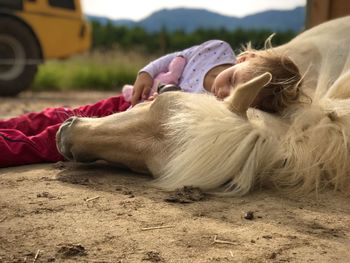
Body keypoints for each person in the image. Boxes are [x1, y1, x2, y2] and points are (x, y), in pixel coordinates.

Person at [0, 39, 304, 167]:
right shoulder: (216, 49)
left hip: (127, 124)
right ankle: (7, 127)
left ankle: (8, 149)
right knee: (55, 115)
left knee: (47, 141)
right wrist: (147, 71)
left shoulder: (212, 108)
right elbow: (174, 58)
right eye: (236, 80)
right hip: (124, 103)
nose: (226, 93)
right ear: (245, 58)